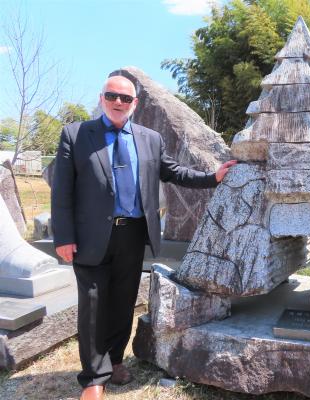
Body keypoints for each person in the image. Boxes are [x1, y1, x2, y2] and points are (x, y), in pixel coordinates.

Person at [51, 75, 236, 400]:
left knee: (123, 303)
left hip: (133, 234)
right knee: (93, 306)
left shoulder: (150, 138)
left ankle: (116, 360)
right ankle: (94, 378)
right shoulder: (76, 135)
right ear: (102, 97)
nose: (119, 102)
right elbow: (62, 192)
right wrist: (63, 237)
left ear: (135, 103)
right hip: (90, 237)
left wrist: (213, 177)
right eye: (112, 95)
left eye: (125, 98)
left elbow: (174, 171)